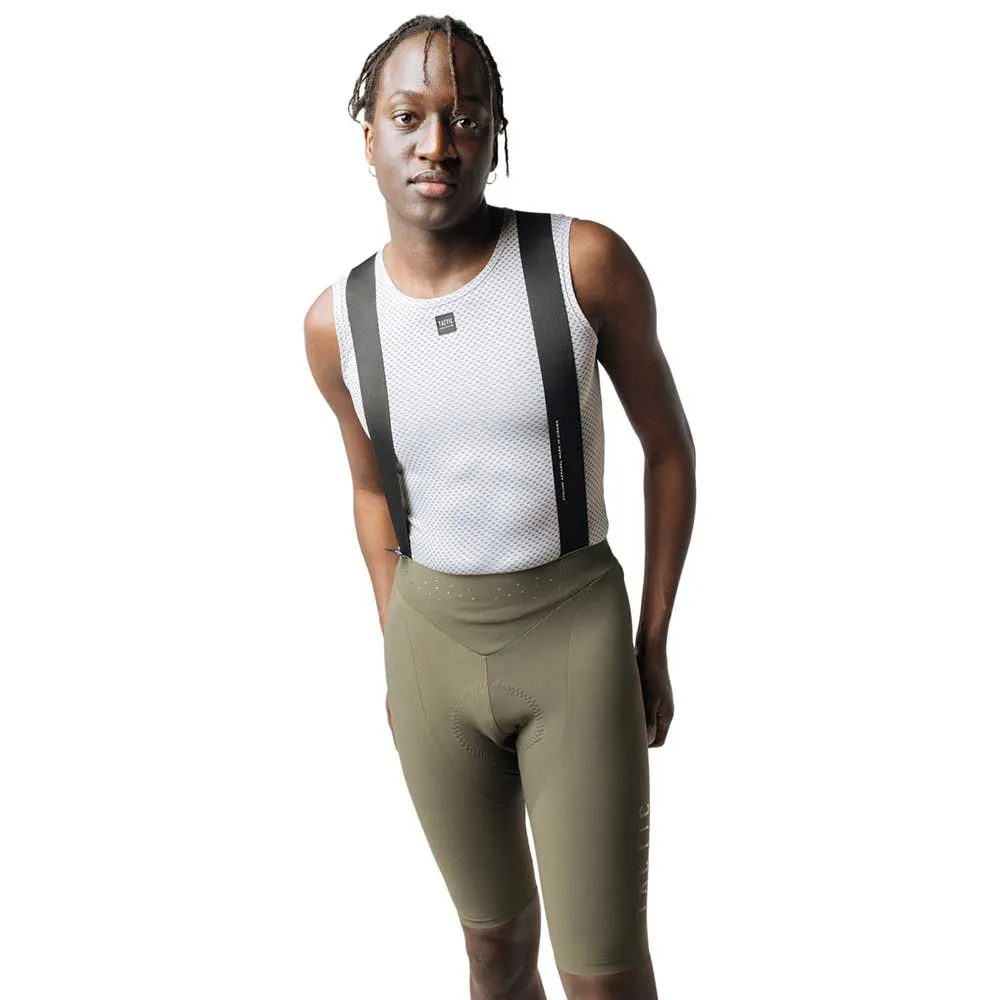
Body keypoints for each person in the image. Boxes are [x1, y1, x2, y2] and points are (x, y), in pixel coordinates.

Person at [304, 15, 695, 1000]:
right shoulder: (336, 323)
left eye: (466, 117)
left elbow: (669, 452)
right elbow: (369, 489)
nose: (437, 143)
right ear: (368, 135)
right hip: (430, 651)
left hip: (575, 643)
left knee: (602, 975)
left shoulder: (581, 263)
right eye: (409, 117)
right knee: (492, 951)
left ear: (494, 135)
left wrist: (651, 640)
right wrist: (395, 639)